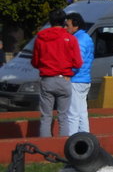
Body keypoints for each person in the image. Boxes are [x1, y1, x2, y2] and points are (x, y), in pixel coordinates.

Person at [32, 9, 82, 137]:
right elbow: (78, 63)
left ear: (50, 21)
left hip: (47, 79)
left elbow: (35, 61)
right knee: (64, 117)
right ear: (64, 22)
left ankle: (45, 147)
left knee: (46, 117)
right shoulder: (71, 39)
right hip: (64, 79)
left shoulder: (41, 37)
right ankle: (62, 147)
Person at [66, 12, 94, 135]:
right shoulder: (86, 37)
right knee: (82, 112)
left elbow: (78, 61)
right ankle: (85, 136)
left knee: (72, 113)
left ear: (76, 25)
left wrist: (68, 73)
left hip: (76, 79)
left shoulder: (78, 40)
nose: (66, 28)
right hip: (84, 78)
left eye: (68, 25)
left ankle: (71, 138)